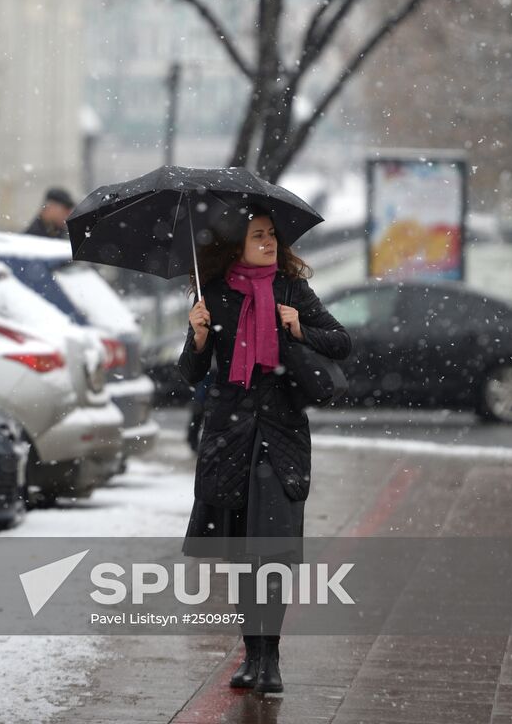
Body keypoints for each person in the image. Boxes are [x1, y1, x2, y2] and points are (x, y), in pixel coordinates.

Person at [178, 203, 351, 695]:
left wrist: (298, 328)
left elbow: (341, 342)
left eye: (272, 235)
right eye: (258, 236)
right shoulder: (211, 295)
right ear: (237, 245)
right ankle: (249, 655)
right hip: (231, 438)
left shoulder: (292, 290)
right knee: (239, 553)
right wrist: (197, 336)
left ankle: (269, 659)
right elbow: (190, 374)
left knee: (270, 550)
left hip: (281, 436)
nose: (269, 242)